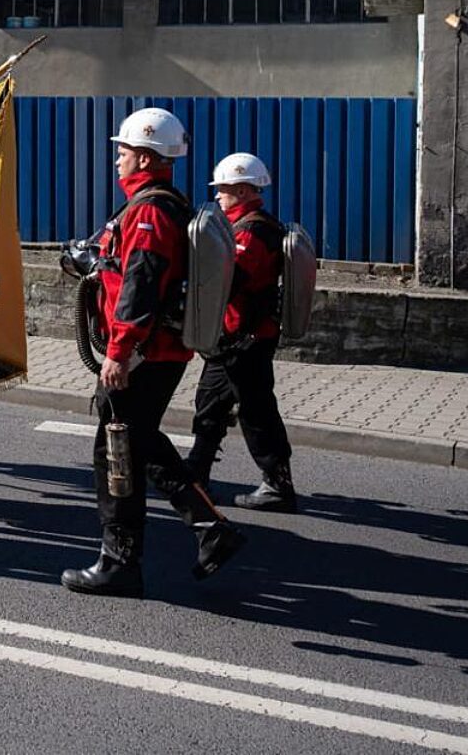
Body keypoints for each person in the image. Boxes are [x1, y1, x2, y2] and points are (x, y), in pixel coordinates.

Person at [62, 107, 246, 599]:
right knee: (138, 442)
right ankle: (208, 529)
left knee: (116, 449)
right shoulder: (158, 203)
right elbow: (122, 266)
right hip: (157, 350)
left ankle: (121, 561)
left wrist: (118, 352)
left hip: (144, 352)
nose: (117, 160)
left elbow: (140, 286)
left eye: (122, 152)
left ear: (144, 157)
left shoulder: (149, 210)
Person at [184, 153, 301, 513]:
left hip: (246, 339)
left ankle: (278, 485)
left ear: (246, 190)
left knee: (256, 411)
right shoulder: (245, 225)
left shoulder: (252, 232)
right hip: (233, 338)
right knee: (210, 405)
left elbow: (230, 281)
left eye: (225, 189)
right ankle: (196, 477)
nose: (219, 195)